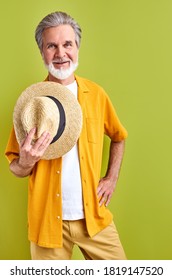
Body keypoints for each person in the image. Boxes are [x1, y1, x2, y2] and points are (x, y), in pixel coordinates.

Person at [5, 11, 128, 260]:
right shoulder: (31, 104)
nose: (61, 53)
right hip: (47, 225)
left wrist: (111, 177)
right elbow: (15, 167)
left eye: (67, 44)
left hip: (94, 217)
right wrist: (26, 161)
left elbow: (118, 136)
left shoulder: (96, 95)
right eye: (51, 46)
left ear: (77, 48)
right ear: (42, 52)